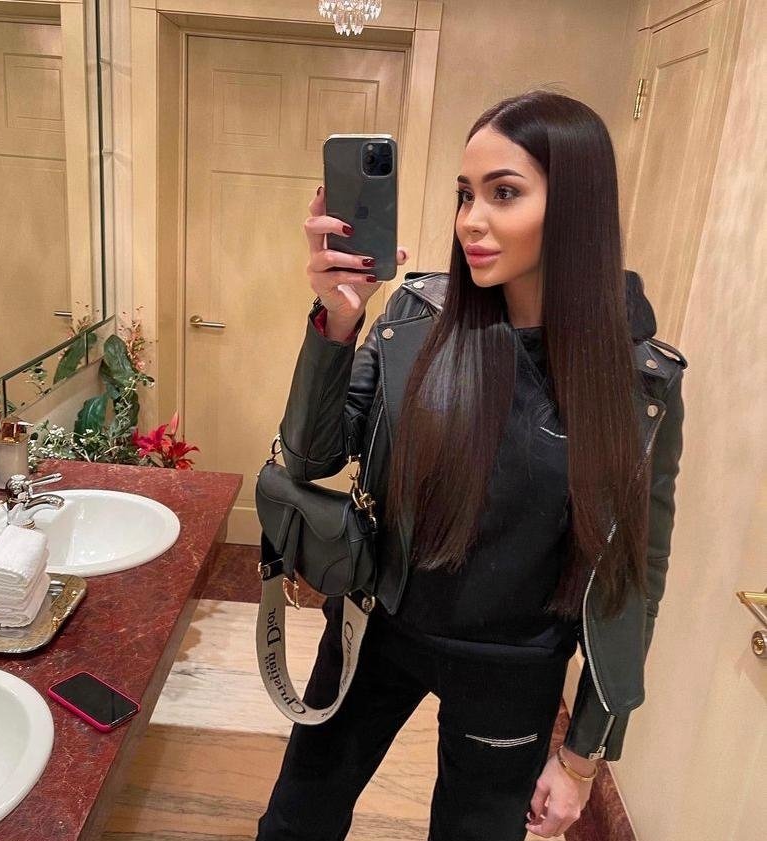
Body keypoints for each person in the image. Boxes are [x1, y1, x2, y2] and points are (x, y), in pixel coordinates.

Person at [256, 89, 687, 841]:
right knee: (296, 822)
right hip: (376, 624)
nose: (470, 221)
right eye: (465, 194)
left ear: (577, 207)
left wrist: (584, 753)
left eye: (504, 193)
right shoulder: (417, 321)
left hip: (513, 669)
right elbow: (311, 455)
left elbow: (635, 580)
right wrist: (339, 319)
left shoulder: (638, 384)